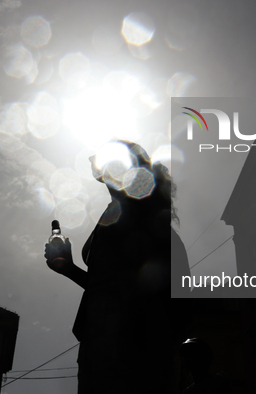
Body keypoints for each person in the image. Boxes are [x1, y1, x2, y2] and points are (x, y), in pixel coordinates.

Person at [44, 140, 175, 393]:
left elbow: (132, 289)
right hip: (103, 340)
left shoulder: (138, 217)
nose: (95, 167)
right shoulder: (119, 211)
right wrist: (69, 269)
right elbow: (105, 286)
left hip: (123, 347)